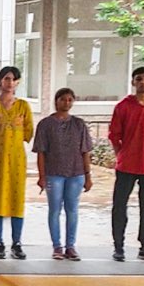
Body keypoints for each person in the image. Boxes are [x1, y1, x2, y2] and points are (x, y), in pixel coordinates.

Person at [109, 66, 144, 263]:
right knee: (119, 206)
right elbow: (114, 134)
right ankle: (118, 246)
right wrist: (121, 154)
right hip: (126, 166)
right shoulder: (123, 106)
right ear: (133, 82)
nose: (142, 81)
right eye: (138, 78)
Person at [0, 65, 35, 260]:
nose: (9, 82)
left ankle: (17, 242)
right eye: (6, 79)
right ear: (0, 81)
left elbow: (29, 131)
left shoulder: (23, 107)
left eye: (13, 79)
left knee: (16, 200)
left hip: (16, 160)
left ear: (18, 82)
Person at [32, 87, 93, 261]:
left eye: (69, 100)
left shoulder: (79, 124)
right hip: (54, 173)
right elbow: (41, 152)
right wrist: (42, 176)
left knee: (72, 210)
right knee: (54, 210)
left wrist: (88, 176)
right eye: (63, 99)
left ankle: (71, 246)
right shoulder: (45, 124)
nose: (66, 103)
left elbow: (85, 151)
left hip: (76, 172)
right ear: (56, 101)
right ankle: (57, 246)